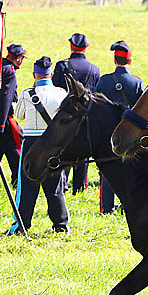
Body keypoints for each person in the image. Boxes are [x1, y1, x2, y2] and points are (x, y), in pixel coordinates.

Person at [10, 56, 70, 234]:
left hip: (31, 142)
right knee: (55, 187)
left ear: (34, 75)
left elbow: (19, 115)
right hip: (53, 142)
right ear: (51, 74)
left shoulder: (27, 94)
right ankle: (61, 225)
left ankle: (21, 225)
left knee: (27, 186)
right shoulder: (61, 93)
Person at [96, 41, 144, 212]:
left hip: (108, 131)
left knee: (107, 169)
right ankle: (127, 204)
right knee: (130, 169)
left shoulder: (104, 81)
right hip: (130, 132)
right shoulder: (137, 82)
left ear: (115, 60)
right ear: (129, 62)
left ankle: (106, 206)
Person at [52, 33, 101, 194]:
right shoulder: (94, 69)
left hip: (67, 115)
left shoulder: (61, 66)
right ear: (85, 48)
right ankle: (79, 186)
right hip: (86, 116)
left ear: (71, 46)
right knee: (84, 149)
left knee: (63, 147)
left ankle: (63, 182)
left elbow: (56, 90)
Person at [0, 44, 26, 191]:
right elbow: (6, 97)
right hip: (4, 118)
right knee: (16, 152)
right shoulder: (10, 72)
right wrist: (0, 125)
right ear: (19, 58)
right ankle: (17, 183)